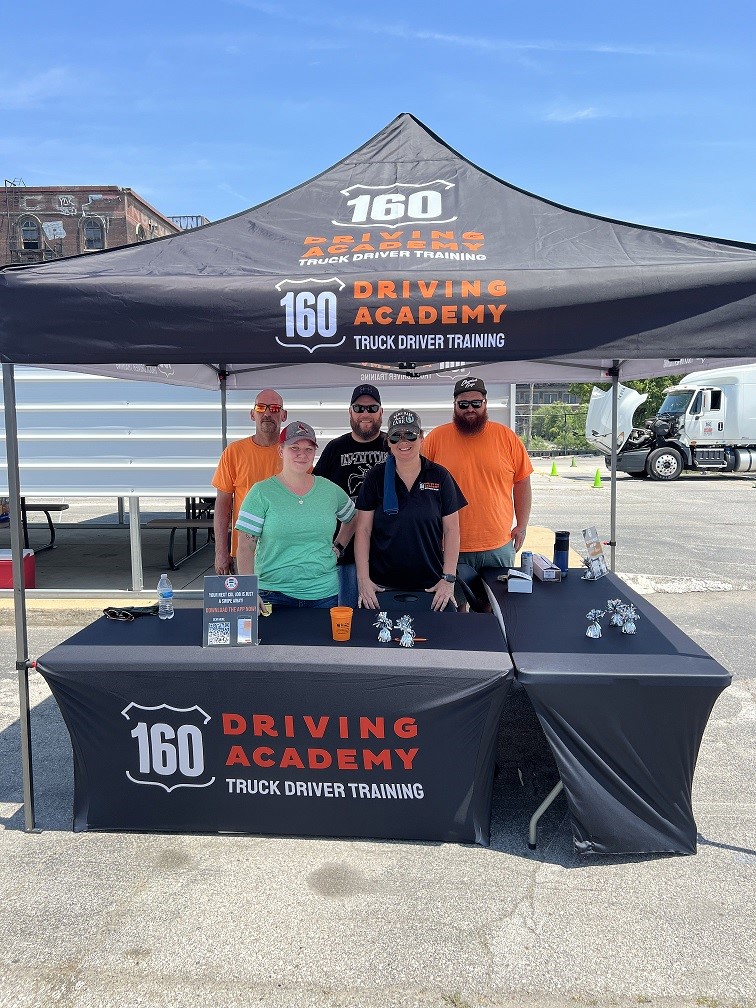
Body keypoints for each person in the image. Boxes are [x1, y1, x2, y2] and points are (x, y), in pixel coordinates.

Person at [422, 377, 533, 586]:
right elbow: (420, 487)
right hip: (448, 545)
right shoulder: (435, 439)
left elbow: (522, 482)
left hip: (498, 545)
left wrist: (522, 525)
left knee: (496, 608)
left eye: (476, 403)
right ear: (454, 406)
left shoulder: (506, 437)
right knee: (456, 612)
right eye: (463, 404)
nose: (469, 409)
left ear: (485, 404)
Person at [354, 409, 467, 612]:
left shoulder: (440, 476)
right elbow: (362, 530)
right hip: (382, 588)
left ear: (422, 437)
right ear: (388, 442)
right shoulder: (375, 478)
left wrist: (448, 579)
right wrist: (363, 580)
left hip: (431, 587)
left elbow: (452, 530)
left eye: (410, 434)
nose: (403, 442)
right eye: (396, 436)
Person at [234, 421, 355, 608]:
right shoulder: (261, 492)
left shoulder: (329, 490)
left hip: (324, 594)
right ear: (281, 451)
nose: (302, 454)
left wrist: (339, 546)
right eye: (295, 447)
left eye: (309, 449)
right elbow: (245, 546)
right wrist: (248, 589)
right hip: (273, 594)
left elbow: (353, 518)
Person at [313, 383, 388, 608]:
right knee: (347, 618)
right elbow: (316, 495)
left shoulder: (394, 445)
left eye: (372, 408)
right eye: (359, 408)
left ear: (381, 412)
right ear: (350, 412)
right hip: (345, 555)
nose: (365, 413)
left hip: (385, 552)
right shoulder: (335, 449)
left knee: (382, 619)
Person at [211, 388, 287, 575]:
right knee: (249, 604)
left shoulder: (294, 453)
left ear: (284, 415)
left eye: (275, 408)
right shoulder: (234, 452)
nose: (268, 413)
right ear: (252, 414)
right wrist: (221, 551)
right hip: (245, 551)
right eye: (261, 407)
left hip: (285, 552)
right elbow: (222, 505)